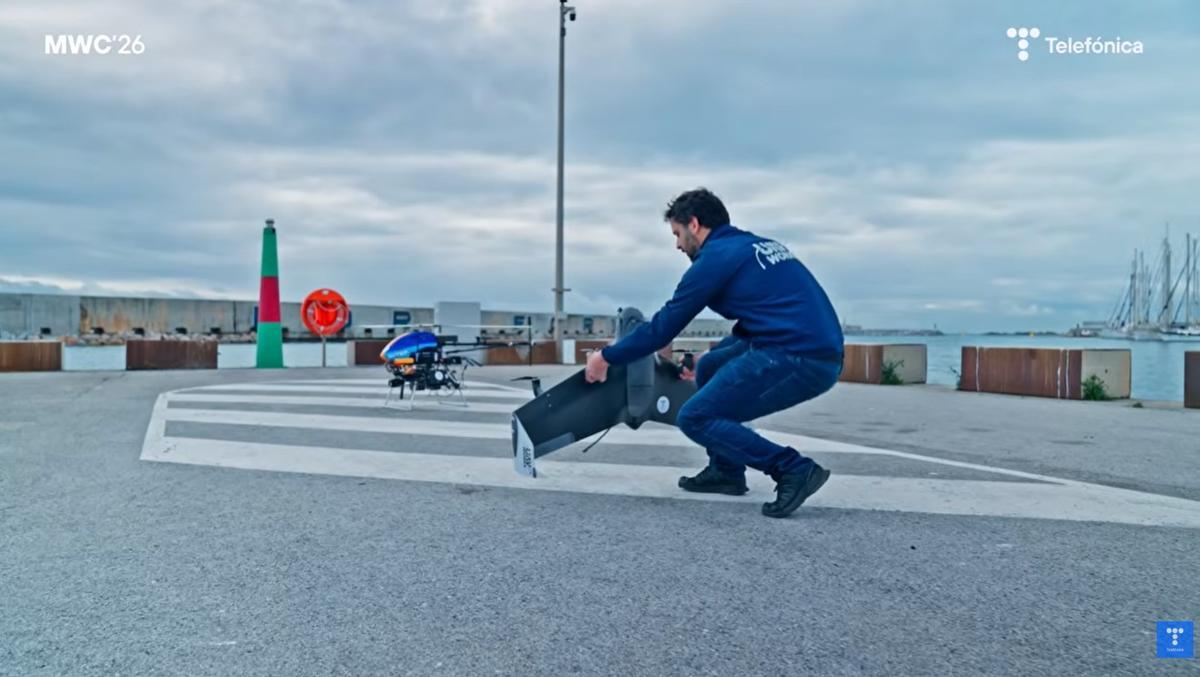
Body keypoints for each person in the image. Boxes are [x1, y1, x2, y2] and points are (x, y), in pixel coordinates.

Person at [585, 188, 844, 518]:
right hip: (803, 346)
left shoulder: (715, 259)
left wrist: (606, 357)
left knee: (695, 417)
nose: (677, 245)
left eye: (677, 234)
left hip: (801, 358)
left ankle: (793, 468)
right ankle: (726, 471)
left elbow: (663, 327)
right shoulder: (749, 246)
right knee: (709, 367)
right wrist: (699, 359)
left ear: (694, 224)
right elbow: (758, 322)